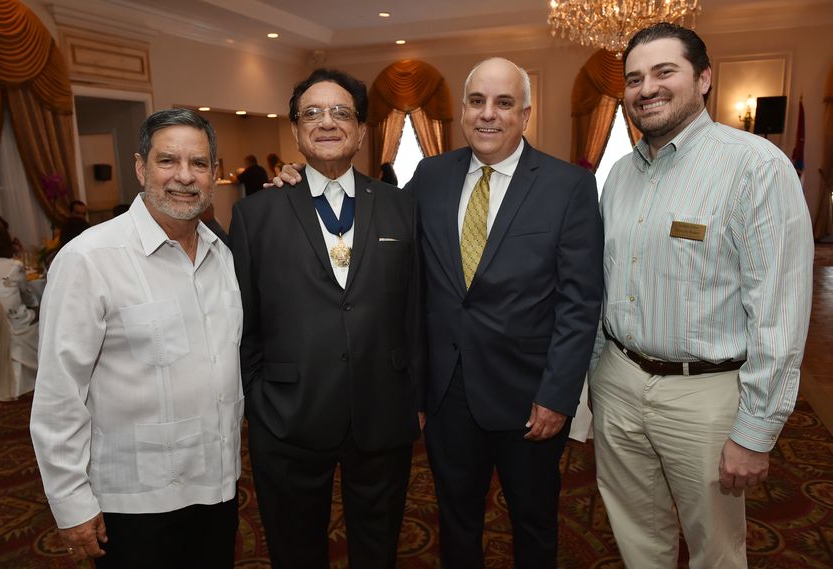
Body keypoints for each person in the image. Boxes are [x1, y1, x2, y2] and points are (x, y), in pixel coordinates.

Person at [276, 57, 603, 568]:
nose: (487, 115)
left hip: (530, 399)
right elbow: (375, 227)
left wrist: (558, 396)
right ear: (463, 111)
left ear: (526, 113)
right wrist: (302, 188)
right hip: (447, 395)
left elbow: (581, 302)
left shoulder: (569, 186)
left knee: (535, 523)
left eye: (503, 103)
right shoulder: (430, 175)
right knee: (455, 520)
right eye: (476, 101)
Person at [589, 23, 814, 569]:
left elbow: (780, 313)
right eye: (635, 78)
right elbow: (603, 283)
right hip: (618, 382)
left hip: (705, 395)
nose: (647, 89)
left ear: (704, 78)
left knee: (715, 548)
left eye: (665, 72)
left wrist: (756, 431)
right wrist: (593, 384)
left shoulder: (755, 166)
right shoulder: (618, 174)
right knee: (637, 536)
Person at [30, 108, 244, 569]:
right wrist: (71, 503)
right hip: (134, 503)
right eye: (168, 161)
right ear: (141, 167)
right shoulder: (90, 259)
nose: (184, 177)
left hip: (218, 487)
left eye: (200, 164)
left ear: (214, 174)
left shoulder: (220, 254)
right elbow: (58, 394)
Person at [230, 68, 424, 569]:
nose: (327, 122)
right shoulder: (256, 215)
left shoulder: (403, 208)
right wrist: (257, 399)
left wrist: (415, 396)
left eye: (341, 112)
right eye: (311, 113)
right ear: (295, 130)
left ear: (361, 131)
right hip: (287, 416)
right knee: (294, 551)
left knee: (378, 550)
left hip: (382, 410)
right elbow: (245, 321)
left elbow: (417, 308)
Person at [0, 220, 39, 389]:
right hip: (12, 325)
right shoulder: (13, 266)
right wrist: (36, 306)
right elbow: (28, 297)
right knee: (40, 313)